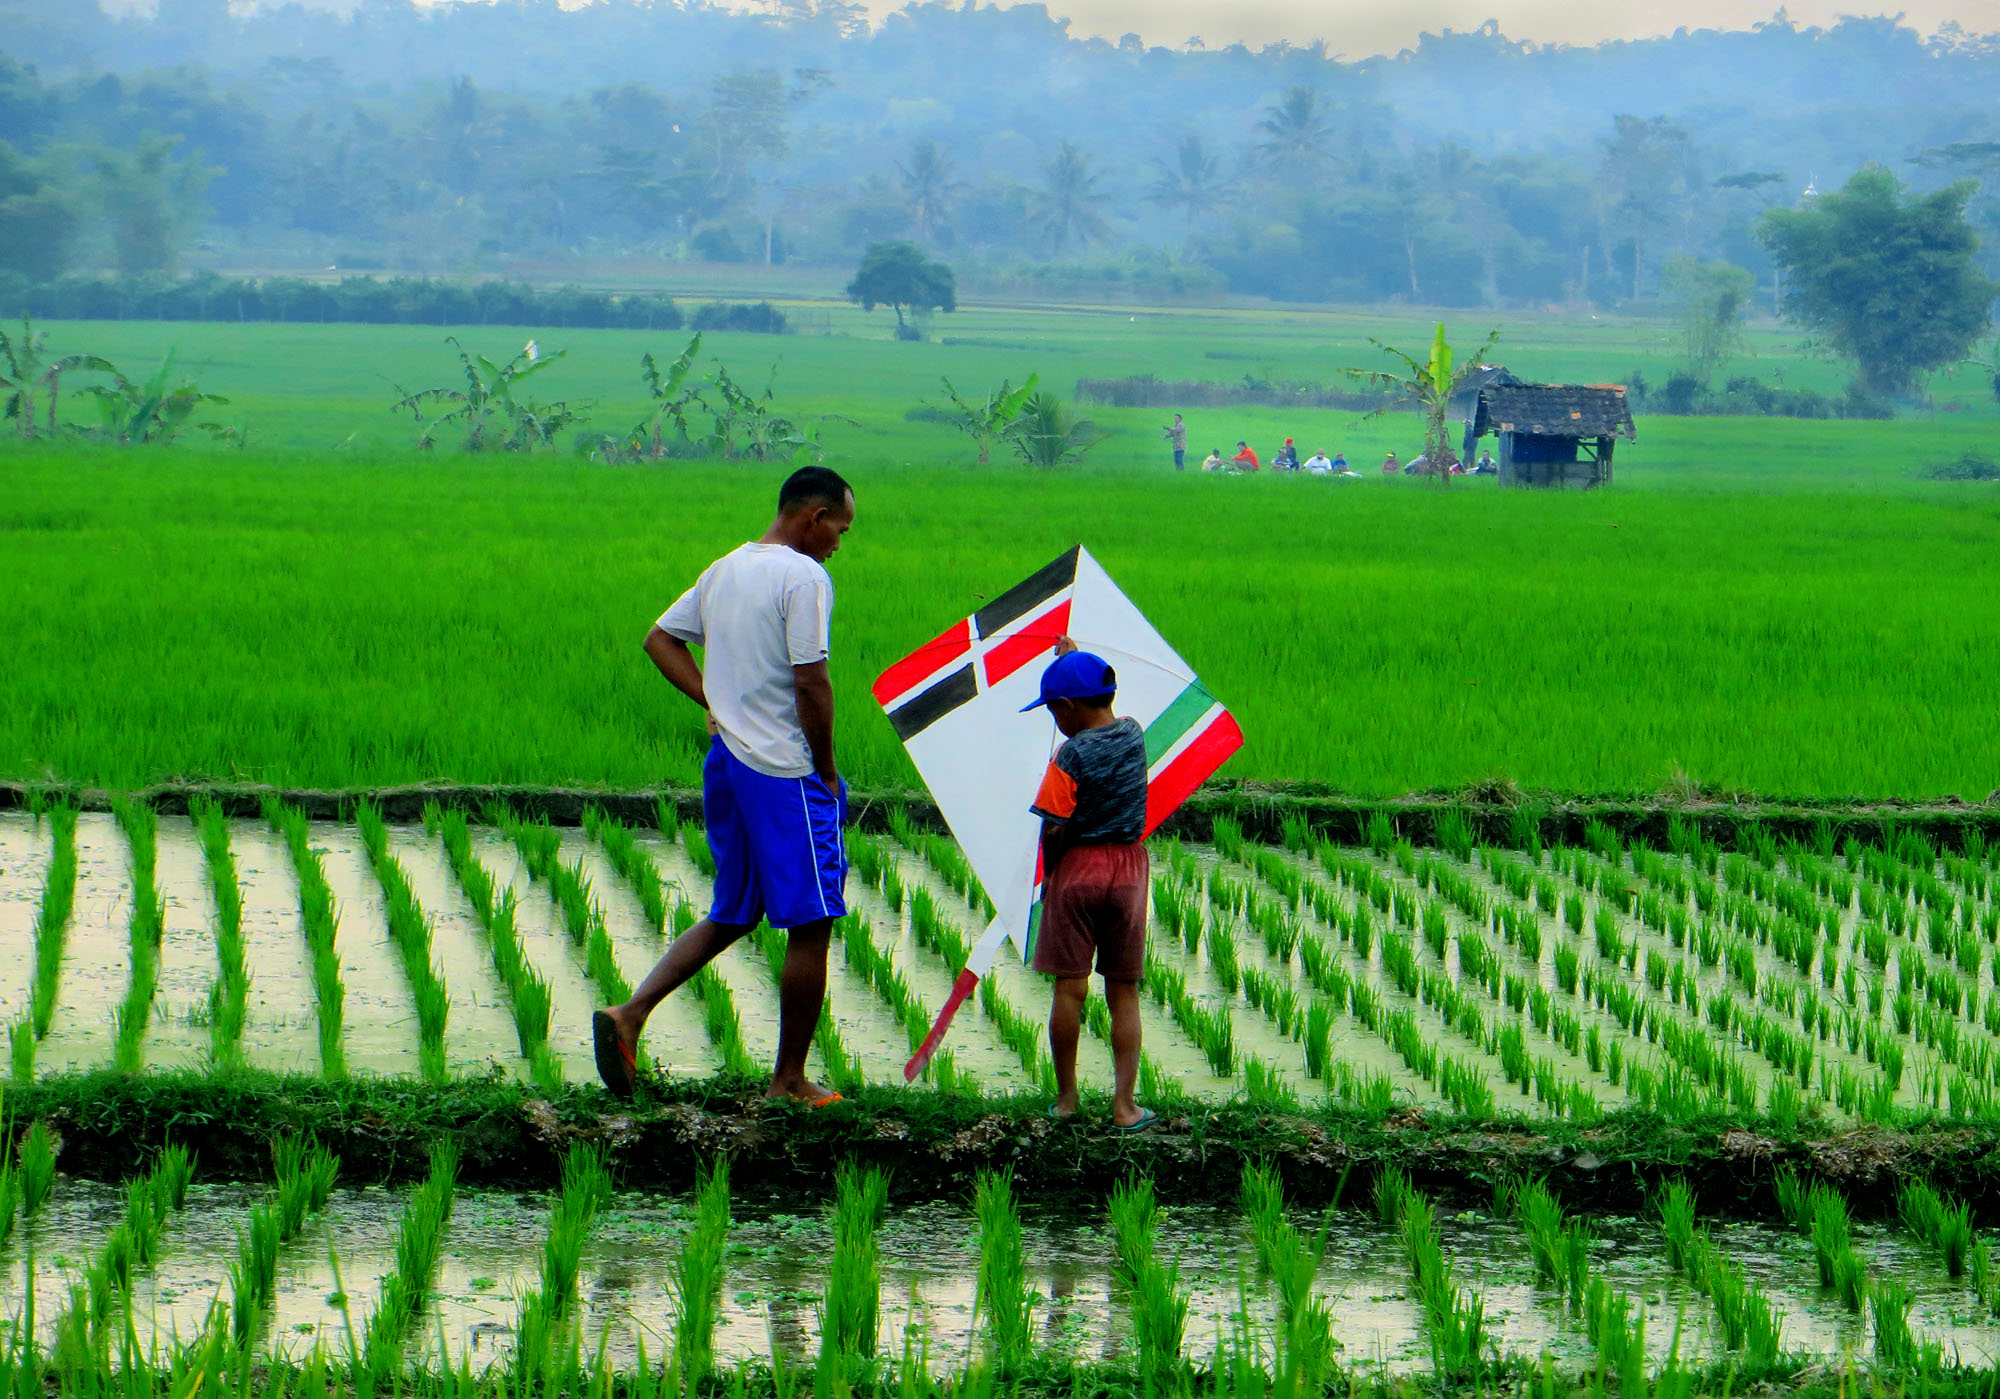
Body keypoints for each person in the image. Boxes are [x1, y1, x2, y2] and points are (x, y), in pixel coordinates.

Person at [593, 466, 857, 1104]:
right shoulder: (804, 577)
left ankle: (630, 1014)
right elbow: (811, 682)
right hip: (783, 770)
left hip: (728, 764)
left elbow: (660, 639)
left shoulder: (725, 568)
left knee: (735, 911)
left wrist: (712, 701)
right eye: (840, 530)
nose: (838, 545)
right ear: (813, 517)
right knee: (814, 919)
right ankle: (789, 1080)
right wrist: (824, 767)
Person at [1025, 641, 1154, 1132]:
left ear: (1066, 707)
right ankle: (1125, 1107)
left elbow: (1054, 825)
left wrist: (1052, 873)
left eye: (1054, 710)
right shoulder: (1134, 734)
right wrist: (1074, 659)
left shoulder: (1070, 755)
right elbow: (1100, 699)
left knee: (1070, 988)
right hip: (1128, 868)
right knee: (1124, 991)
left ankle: (1067, 1099)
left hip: (1079, 868)